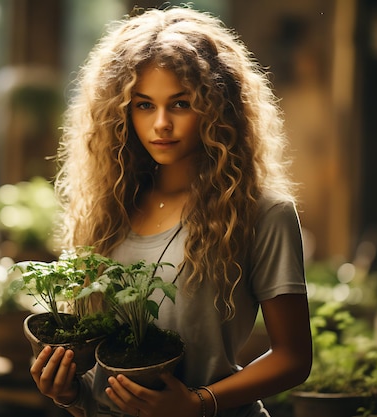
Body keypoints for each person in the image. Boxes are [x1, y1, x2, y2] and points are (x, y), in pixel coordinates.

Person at [30, 5, 312, 417]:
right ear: (121, 112)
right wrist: (68, 393)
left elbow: (293, 358)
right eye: (144, 105)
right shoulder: (106, 211)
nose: (161, 123)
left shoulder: (261, 213)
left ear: (218, 108)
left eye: (180, 104)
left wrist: (199, 404)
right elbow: (99, 382)